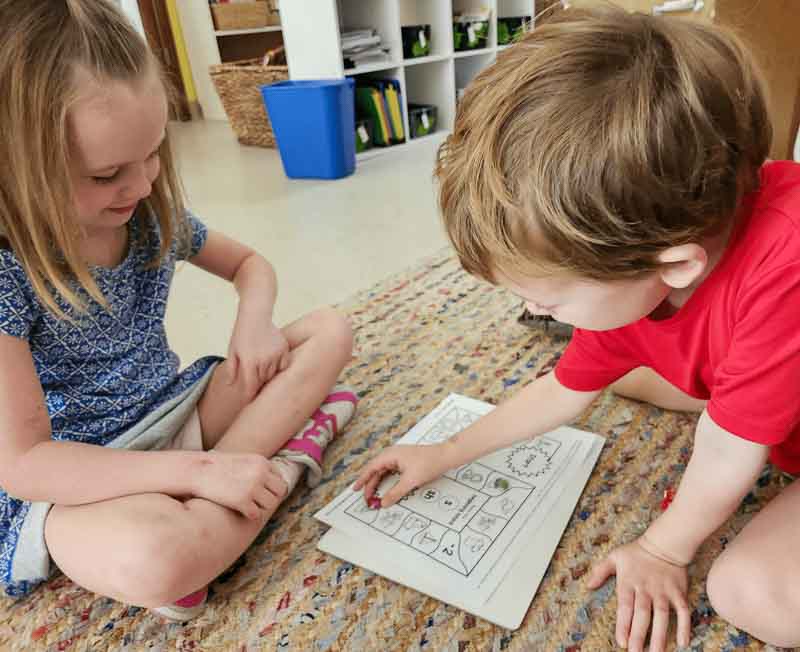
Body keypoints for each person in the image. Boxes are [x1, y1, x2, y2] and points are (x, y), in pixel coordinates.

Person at [356, 7, 800, 651]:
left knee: (750, 591)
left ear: (675, 265)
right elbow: (564, 388)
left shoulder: (785, 267)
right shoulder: (643, 268)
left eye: (550, 301)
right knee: (632, 379)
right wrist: (445, 453)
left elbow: (729, 453)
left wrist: (663, 548)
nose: (535, 314)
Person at [0, 0, 357, 621]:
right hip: (80, 479)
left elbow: (251, 265)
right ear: (16, 169)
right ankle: (275, 469)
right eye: (108, 173)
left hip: (172, 412)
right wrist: (196, 473)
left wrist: (254, 322)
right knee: (153, 560)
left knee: (330, 330)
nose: (141, 186)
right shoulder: (9, 275)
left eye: (154, 152)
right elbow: (26, 466)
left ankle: (223, 506)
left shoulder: (146, 216)